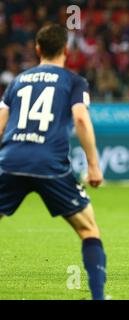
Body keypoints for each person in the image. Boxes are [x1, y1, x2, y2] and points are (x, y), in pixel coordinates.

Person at [0, 24, 107, 299]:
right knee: (88, 229)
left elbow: (0, 125)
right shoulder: (74, 81)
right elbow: (81, 119)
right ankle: (97, 296)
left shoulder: (17, 81)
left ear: (37, 49)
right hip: (50, 165)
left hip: (10, 161)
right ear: (66, 51)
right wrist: (93, 165)